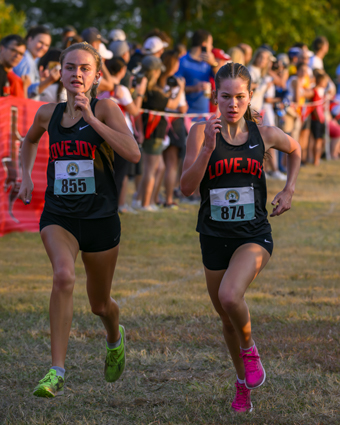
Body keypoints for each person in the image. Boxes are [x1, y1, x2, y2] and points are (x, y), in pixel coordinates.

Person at [18, 42, 141, 397]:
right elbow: (28, 142)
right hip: (60, 215)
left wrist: (90, 119)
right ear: (61, 71)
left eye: (85, 68)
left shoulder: (106, 108)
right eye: (70, 67)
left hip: (101, 217)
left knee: (99, 304)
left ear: (97, 75)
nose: (77, 74)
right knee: (63, 275)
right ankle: (56, 369)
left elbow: (132, 152)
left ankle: (114, 335)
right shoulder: (47, 113)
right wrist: (26, 175)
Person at [180, 62, 301, 413]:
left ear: (250, 97)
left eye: (240, 96)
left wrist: (289, 190)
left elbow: (294, 151)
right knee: (226, 317)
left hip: (254, 234)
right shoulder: (199, 133)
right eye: (226, 96)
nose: (232, 103)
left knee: (231, 296)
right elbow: (187, 188)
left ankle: (251, 351)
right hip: (214, 235)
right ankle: (241, 382)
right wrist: (206, 148)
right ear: (214, 96)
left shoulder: (264, 133)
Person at [176, 29, 218, 116]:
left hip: (204, 115)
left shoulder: (208, 62)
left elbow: (220, 79)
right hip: (186, 115)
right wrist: (194, 88)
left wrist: (214, 64)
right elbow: (174, 88)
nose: (212, 47)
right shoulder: (182, 61)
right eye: (210, 44)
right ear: (204, 44)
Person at [13, 26, 58, 100]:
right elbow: (25, 93)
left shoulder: (30, 60)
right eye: (40, 42)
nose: (43, 47)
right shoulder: (26, 61)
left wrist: (41, 81)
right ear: (30, 40)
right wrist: (49, 81)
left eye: (47, 45)